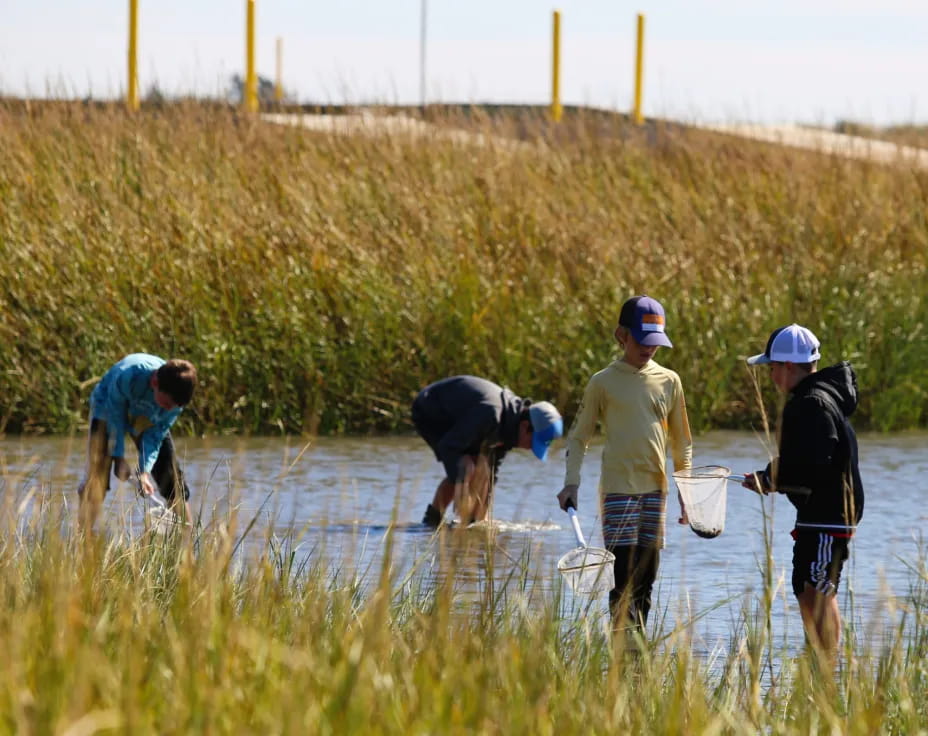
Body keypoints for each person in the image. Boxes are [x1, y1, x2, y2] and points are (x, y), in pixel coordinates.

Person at [557, 295, 692, 633]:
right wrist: (571, 482)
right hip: (618, 490)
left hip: (655, 492)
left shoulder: (670, 381)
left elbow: (682, 440)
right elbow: (578, 437)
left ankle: (637, 652)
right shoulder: (603, 382)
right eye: (643, 341)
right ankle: (620, 645)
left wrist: (686, 488)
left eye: (655, 343)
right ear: (622, 336)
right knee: (622, 575)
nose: (649, 349)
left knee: (647, 575)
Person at [741, 324, 864, 667]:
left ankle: (828, 666)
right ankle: (819, 660)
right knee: (806, 584)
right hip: (815, 514)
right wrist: (771, 479)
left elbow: (816, 462)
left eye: (772, 367)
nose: (771, 375)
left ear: (788, 366)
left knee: (819, 588)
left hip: (830, 514)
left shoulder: (813, 403)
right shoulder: (811, 399)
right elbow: (806, 462)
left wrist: (772, 477)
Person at [412, 375, 563, 527]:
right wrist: (462, 488)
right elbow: (449, 447)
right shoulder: (490, 415)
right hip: (430, 408)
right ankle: (431, 523)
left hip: (463, 419)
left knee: (482, 470)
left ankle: (471, 523)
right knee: (466, 467)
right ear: (525, 426)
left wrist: (481, 522)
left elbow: (490, 473)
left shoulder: (509, 426)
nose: (530, 448)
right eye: (532, 442)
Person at [78, 353, 197, 532]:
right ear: (155, 383)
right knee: (97, 480)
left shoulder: (174, 404)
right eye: (166, 403)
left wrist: (143, 471)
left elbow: (155, 436)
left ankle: (188, 545)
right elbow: (115, 417)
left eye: (174, 406)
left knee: (171, 479)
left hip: (144, 416)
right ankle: (82, 538)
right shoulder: (129, 375)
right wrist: (118, 457)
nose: (168, 409)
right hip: (107, 408)